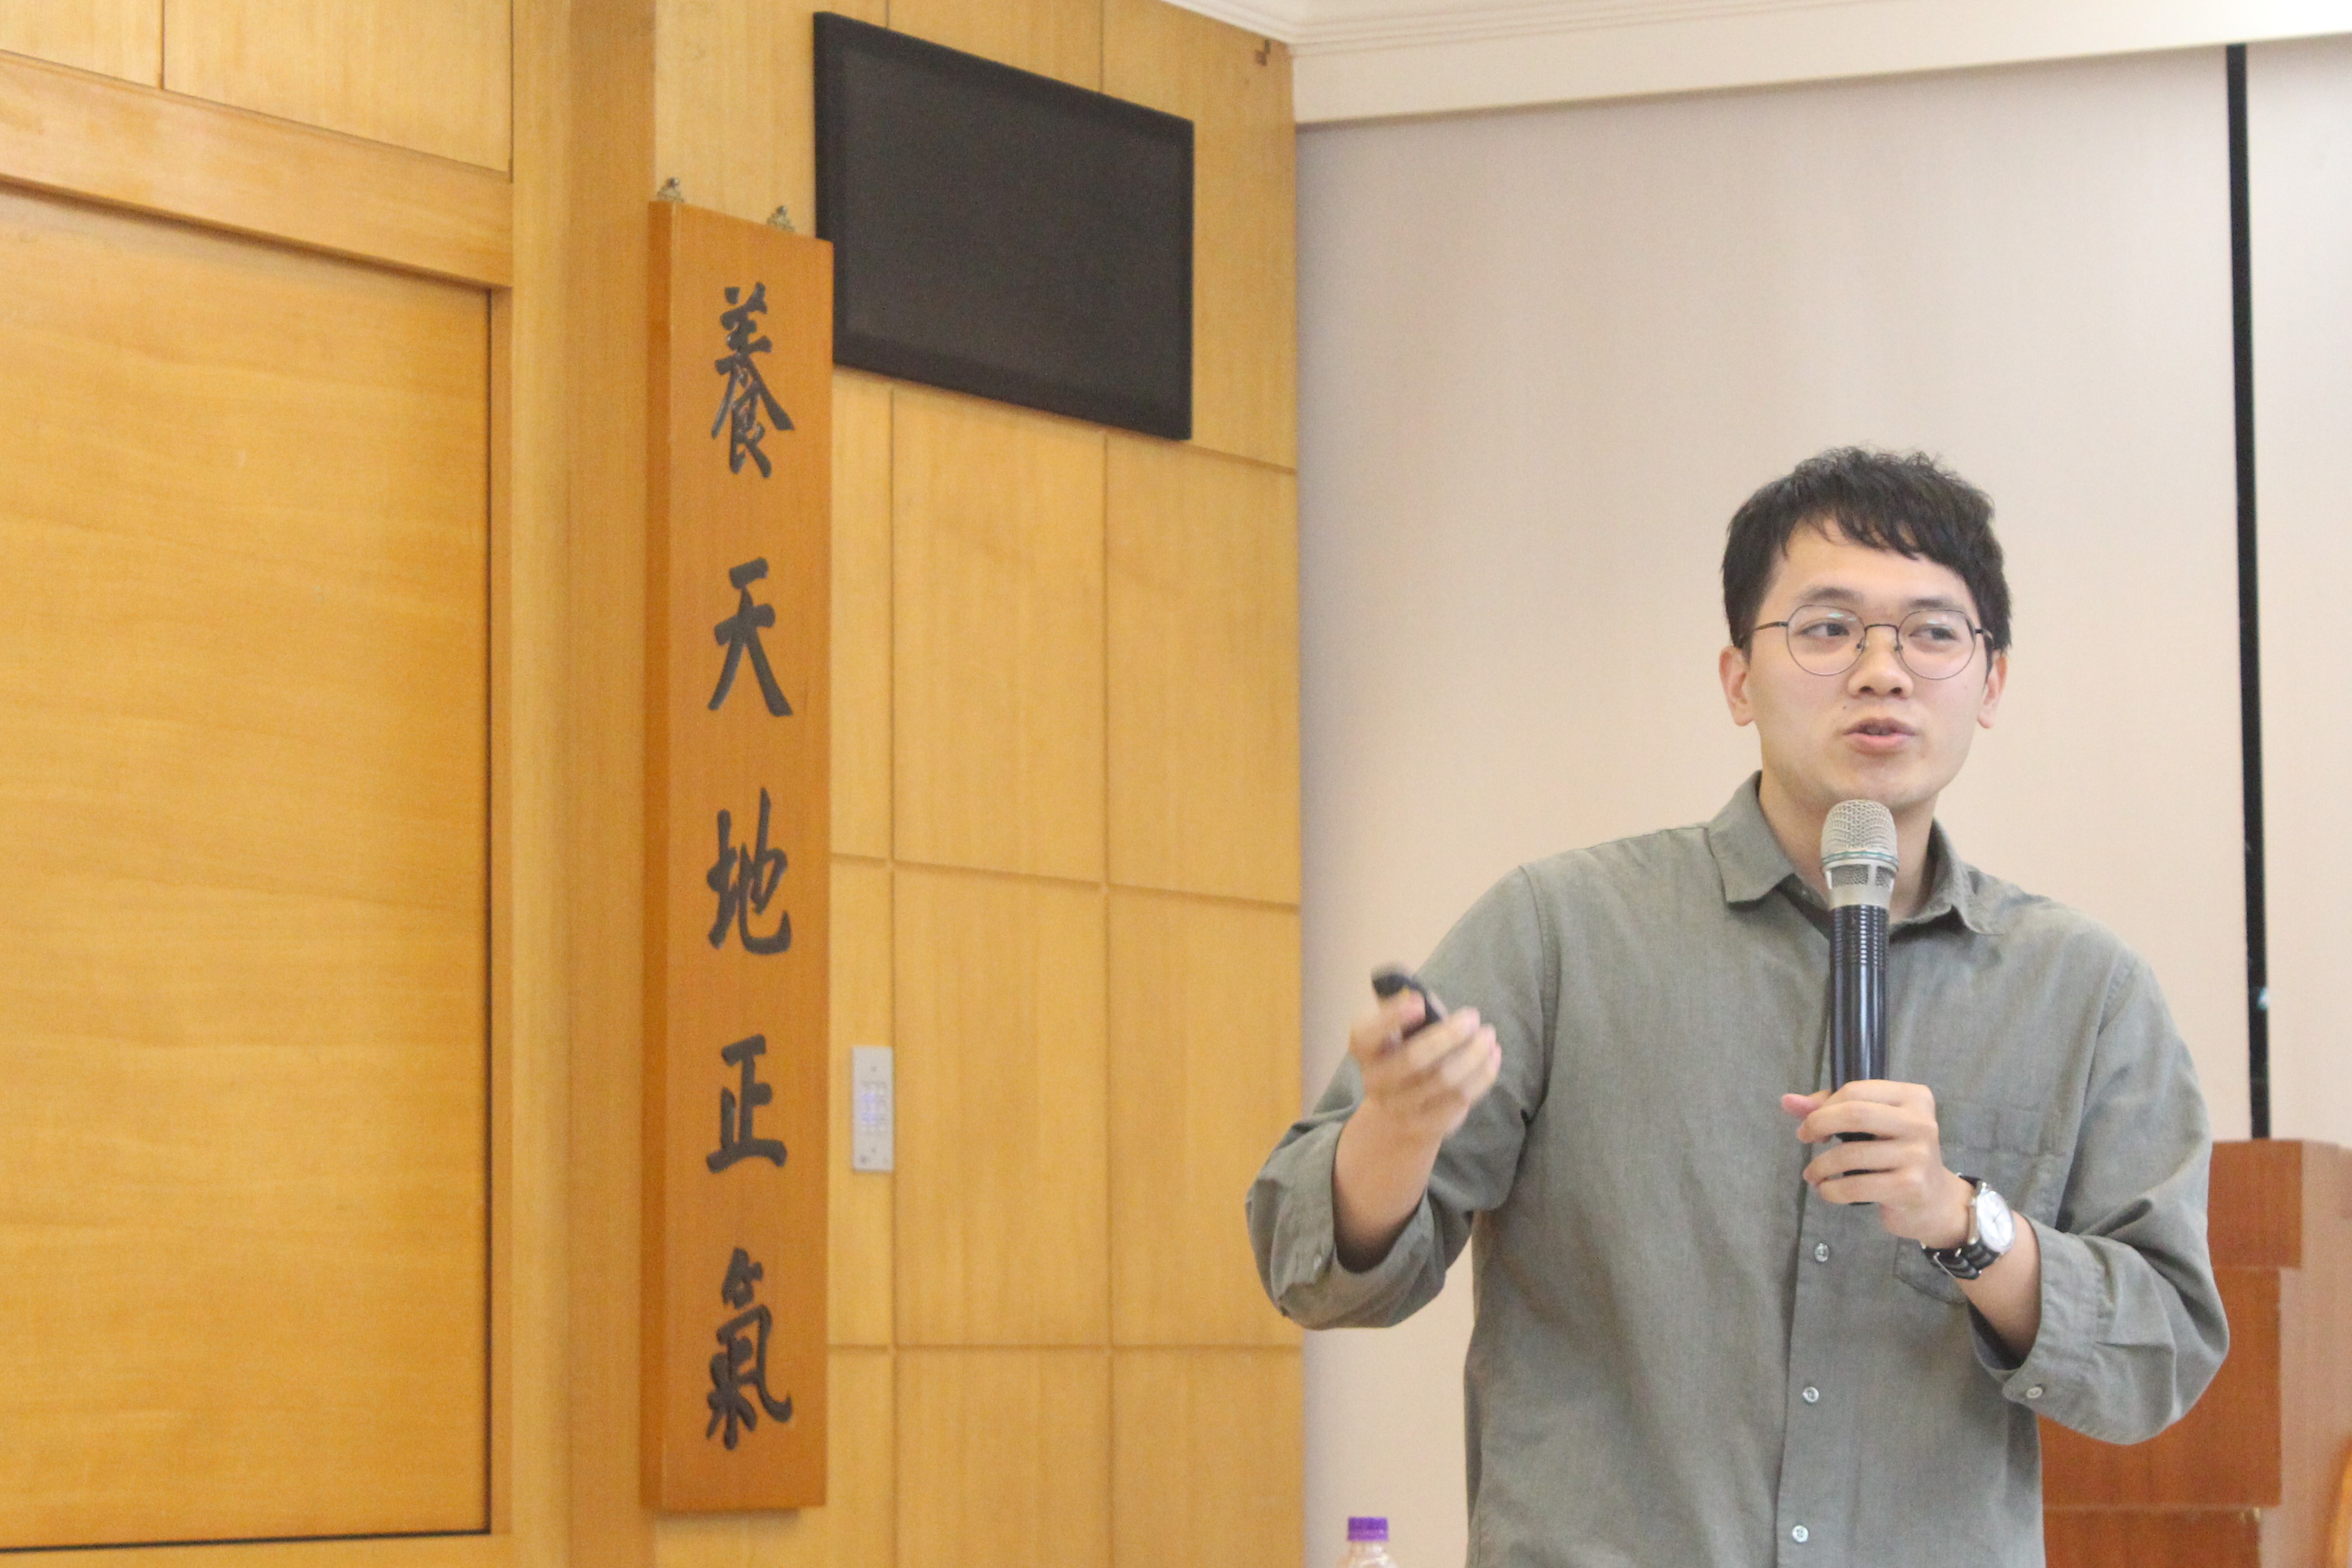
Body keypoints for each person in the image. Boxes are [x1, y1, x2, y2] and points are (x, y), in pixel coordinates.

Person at [1247, 449, 2227, 1567]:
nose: (1880, 671)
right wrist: (1396, 1130)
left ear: (1989, 683)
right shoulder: (1563, 929)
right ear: (1735, 680)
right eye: (1826, 629)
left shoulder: (2083, 989)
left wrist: (1963, 1219)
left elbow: (2159, 1361)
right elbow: (1308, 1271)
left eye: (1930, 633)